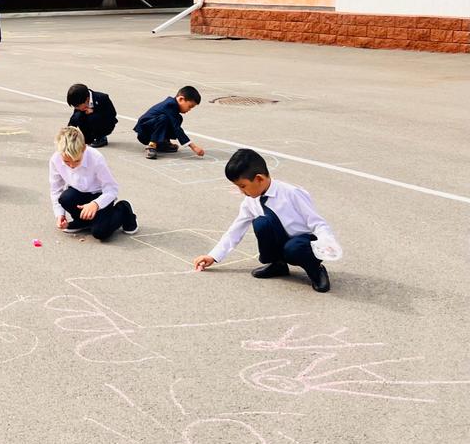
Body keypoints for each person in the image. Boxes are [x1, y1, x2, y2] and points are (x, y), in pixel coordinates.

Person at [193, 148, 335, 293]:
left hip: (304, 243)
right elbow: (236, 230)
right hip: (283, 240)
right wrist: (213, 256)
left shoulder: (292, 193)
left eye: (243, 186)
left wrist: (327, 244)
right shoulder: (250, 201)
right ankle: (278, 264)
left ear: (259, 179)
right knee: (262, 223)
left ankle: (316, 270)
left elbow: (318, 223)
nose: (242, 191)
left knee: (294, 247)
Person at [49, 126, 137, 241]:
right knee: (65, 198)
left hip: (100, 195)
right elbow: (56, 189)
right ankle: (83, 221)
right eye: (66, 161)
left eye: (77, 160)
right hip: (78, 192)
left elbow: (111, 188)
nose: (72, 165)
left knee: (100, 232)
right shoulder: (55, 159)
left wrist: (96, 204)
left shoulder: (96, 158)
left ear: (84, 148)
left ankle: (123, 210)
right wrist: (60, 215)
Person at [134, 86, 205, 160]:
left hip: (151, 129)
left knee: (178, 118)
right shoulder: (170, 105)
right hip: (144, 133)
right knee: (164, 118)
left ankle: (162, 143)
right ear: (181, 99)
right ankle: (152, 146)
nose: (189, 109)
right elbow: (177, 128)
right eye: (190, 106)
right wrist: (193, 147)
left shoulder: (173, 107)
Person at [66, 84, 118, 148]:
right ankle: (87, 139)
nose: (76, 108)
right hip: (90, 126)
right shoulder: (79, 102)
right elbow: (74, 119)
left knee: (93, 117)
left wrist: (94, 112)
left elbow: (112, 114)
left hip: (106, 125)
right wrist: (68, 135)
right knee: (78, 115)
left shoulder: (102, 98)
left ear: (87, 99)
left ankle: (101, 138)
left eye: (77, 106)